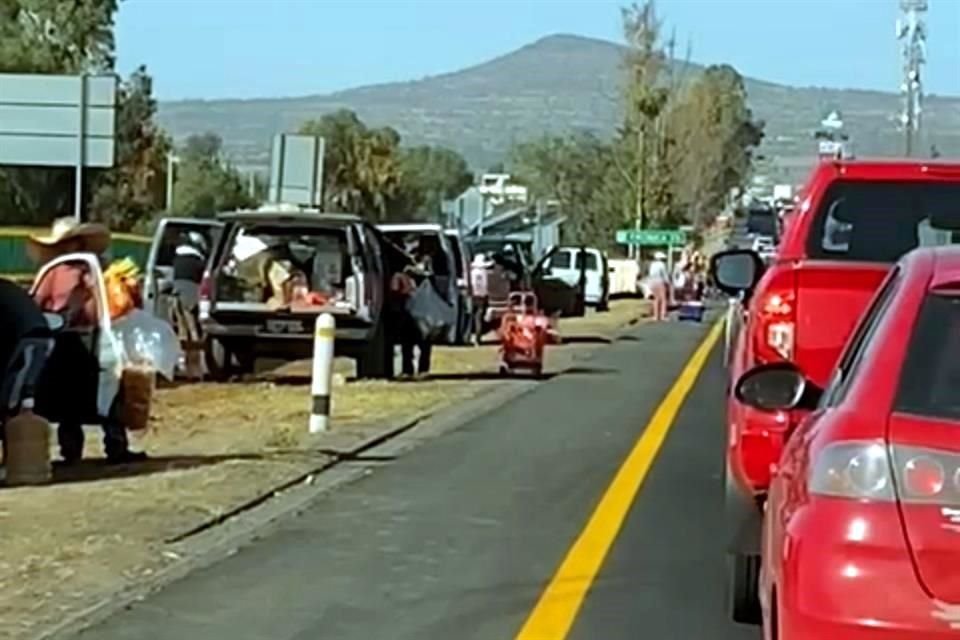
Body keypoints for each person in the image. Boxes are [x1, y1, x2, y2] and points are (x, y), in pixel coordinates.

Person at [28, 218, 147, 465]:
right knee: (67, 398)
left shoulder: (98, 271)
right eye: (68, 243)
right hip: (64, 339)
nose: (73, 247)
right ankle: (71, 451)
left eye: (75, 242)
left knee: (108, 391)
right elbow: (35, 304)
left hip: (98, 336)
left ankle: (115, 447)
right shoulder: (54, 273)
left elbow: (115, 301)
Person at [647, 250, 670, 321]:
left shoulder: (652, 265)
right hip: (660, 282)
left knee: (656, 299)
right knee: (663, 299)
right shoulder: (662, 265)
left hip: (652, 282)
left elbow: (650, 274)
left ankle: (656, 316)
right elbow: (664, 275)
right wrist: (668, 283)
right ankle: (663, 315)